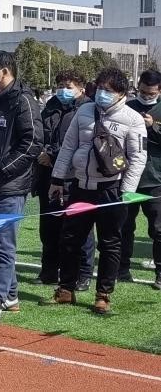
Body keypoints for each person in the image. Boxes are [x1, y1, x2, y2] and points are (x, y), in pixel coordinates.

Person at [45, 67, 147, 314]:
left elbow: (138, 158)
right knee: (70, 239)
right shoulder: (84, 111)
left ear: (121, 93)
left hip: (112, 190)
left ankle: (103, 295)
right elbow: (68, 147)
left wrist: (126, 191)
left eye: (108, 90)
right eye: (100, 88)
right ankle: (66, 289)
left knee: (110, 243)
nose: (102, 94)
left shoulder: (133, 119)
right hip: (80, 186)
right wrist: (57, 179)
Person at [0, 50, 43, 324]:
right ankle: (11, 293)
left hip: (9, 187)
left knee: (3, 245)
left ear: (5, 71)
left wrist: (4, 169)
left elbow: (33, 142)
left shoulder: (23, 100)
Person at [33, 70, 96, 290]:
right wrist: (43, 152)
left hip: (75, 176)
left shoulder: (88, 109)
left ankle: (83, 273)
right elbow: (40, 134)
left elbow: (81, 142)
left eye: (68, 87)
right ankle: (49, 271)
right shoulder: (51, 106)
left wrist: (53, 154)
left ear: (81, 87)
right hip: (48, 175)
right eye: (60, 86)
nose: (63, 90)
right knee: (49, 226)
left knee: (80, 227)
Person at [120, 69, 161, 289]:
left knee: (159, 229)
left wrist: (153, 126)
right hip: (128, 178)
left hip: (156, 179)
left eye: (150, 93)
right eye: (143, 91)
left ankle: (160, 273)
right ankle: (122, 269)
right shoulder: (128, 107)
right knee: (124, 227)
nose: (145, 96)